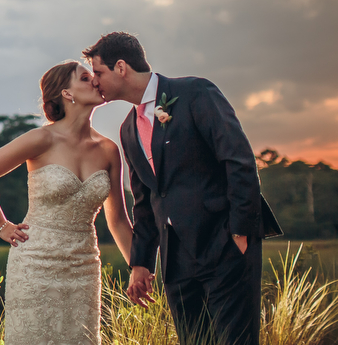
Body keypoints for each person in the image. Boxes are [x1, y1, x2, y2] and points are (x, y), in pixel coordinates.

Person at [84, 31, 281, 345]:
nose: (94, 81)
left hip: (225, 244)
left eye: (98, 72)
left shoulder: (195, 92)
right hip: (176, 260)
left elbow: (239, 160)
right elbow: (145, 201)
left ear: (121, 67)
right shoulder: (128, 130)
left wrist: (241, 232)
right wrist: (141, 263)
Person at [0, 60, 133, 345]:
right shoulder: (42, 138)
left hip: (83, 265)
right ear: (66, 94)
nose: (95, 81)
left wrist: (139, 266)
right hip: (35, 263)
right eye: (85, 78)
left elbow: (117, 219)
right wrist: (1, 226)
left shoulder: (109, 150)